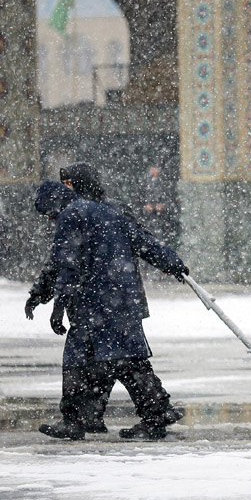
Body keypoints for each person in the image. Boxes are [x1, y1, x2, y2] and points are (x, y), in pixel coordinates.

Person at [33, 181, 189, 440]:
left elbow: (66, 263)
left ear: (55, 203)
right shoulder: (106, 212)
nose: (50, 219)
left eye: (49, 213)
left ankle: (78, 420)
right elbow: (142, 241)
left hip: (95, 303)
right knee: (124, 360)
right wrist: (172, 263)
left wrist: (58, 305)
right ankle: (150, 413)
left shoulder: (70, 216)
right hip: (121, 299)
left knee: (79, 360)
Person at [25, 163, 147, 433]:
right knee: (100, 363)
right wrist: (40, 292)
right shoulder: (73, 213)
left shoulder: (106, 211)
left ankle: (85, 418)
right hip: (90, 301)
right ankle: (87, 417)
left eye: (69, 183)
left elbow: (139, 242)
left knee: (111, 360)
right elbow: (60, 260)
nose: (65, 189)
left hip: (112, 300)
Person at [141, 165, 175, 244]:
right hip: (149, 219)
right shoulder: (145, 183)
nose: (152, 171)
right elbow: (140, 199)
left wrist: (164, 206)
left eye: (154, 169)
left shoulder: (165, 183)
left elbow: (171, 199)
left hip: (163, 220)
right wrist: (146, 206)